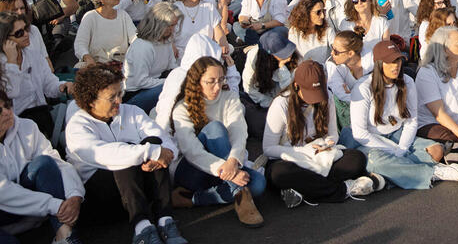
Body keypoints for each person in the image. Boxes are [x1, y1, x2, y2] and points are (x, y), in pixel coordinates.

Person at [65, 64, 189, 244]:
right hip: (100, 199)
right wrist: (151, 152)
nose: (119, 101)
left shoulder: (132, 112)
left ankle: (165, 219)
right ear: (91, 100)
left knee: (153, 142)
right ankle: (142, 229)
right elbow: (104, 154)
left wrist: (166, 151)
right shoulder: (77, 126)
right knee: (125, 155)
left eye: (120, 94)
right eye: (112, 97)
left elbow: (161, 137)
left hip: (135, 192)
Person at [351, 40, 458, 189]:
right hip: (371, 140)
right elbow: (360, 133)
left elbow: (411, 122)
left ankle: (388, 177)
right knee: (377, 161)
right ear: (379, 63)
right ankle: (432, 173)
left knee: (436, 150)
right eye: (391, 62)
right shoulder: (362, 87)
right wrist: (393, 150)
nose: (396, 65)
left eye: (398, 60)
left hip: (397, 134)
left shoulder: (408, 82)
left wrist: (402, 149)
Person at [263, 60, 378, 207]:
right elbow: (268, 148)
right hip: (290, 158)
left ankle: (304, 190)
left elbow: (332, 134)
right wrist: (303, 151)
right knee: (279, 173)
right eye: (311, 93)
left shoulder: (327, 96)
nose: (315, 99)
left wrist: (326, 144)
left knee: (356, 159)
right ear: (296, 86)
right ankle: (344, 189)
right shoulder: (281, 104)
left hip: (320, 155)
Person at [168, 56, 265, 227]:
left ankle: (193, 199)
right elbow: (192, 152)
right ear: (197, 82)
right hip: (193, 170)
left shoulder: (230, 98)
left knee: (258, 185)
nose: (217, 86)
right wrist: (231, 172)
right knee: (215, 128)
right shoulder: (182, 108)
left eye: (221, 80)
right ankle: (241, 196)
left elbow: (239, 132)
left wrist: (234, 161)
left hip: (227, 166)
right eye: (211, 81)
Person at [0, 87, 85, 244]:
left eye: (7, 105)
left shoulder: (26, 126)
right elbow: (3, 192)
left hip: (32, 204)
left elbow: (55, 161)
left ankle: (65, 234)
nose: (7, 112)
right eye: (0, 110)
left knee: (43, 163)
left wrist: (75, 195)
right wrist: (56, 205)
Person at [122, 2, 182, 113]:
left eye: (174, 25)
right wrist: (169, 81)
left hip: (154, 85)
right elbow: (140, 81)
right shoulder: (143, 46)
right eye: (171, 25)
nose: (173, 29)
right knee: (170, 88)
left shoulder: (166, 41)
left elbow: (172, 67)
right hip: (133, 94)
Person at [73, 0, 137, 66]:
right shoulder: (90, 17)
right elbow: (80, 44)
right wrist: (87, 57)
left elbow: (135, 38)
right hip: (95, 64)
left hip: (119, 63)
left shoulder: (123, 15)